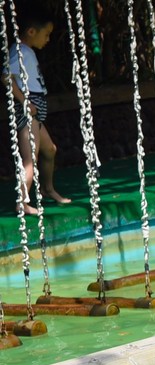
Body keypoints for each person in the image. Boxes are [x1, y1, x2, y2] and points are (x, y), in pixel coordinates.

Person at [5, 8, 70, 215]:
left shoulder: (27, 51)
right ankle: (21, 202)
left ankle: (47, 189)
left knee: (50, 150)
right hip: (28, 110)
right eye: (47, 34)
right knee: (29, 160)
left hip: (34, 109)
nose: (49, 39)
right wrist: (25, 103)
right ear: (32, 32)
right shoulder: (19, 51)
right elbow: (6, 78)